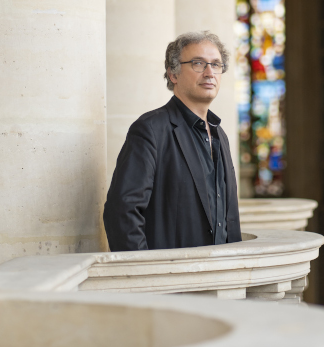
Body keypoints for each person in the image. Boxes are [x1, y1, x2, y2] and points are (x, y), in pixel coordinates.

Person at [103, 31, 241, 251]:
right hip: (173, 279)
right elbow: (122, 212)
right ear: (173, 74)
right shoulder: (150, 130)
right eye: (198, 63)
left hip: (220, 276)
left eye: (216, 64)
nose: (209, 72)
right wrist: (146, 274)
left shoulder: (219, 135)